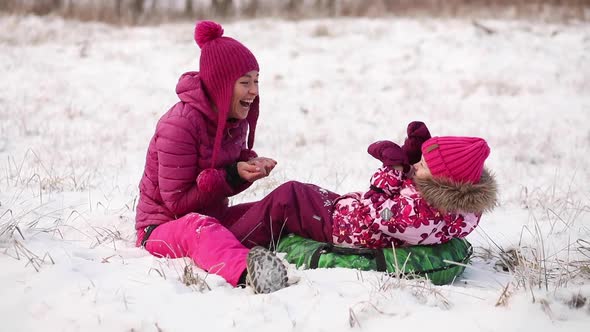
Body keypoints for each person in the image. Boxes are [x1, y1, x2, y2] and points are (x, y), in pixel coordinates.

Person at [135, 20, 287, 294]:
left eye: (256, 81)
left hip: (214, 219)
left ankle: (352, 225)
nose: (254, 90)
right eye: (245, 82)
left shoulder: (234, 119)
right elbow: (178, 204)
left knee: (282, 202)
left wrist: (246, 170)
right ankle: (253, 273)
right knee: (199, 227)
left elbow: (224, 179)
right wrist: (232, 174)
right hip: (161, 228)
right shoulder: (178, 125)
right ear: (222, 85)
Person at [229, 122, 498, 250]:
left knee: (289, 196)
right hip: (350, 217)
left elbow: (376, 211)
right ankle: (230, 219)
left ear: (445, 181)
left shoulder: (420, 215)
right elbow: (415, 199)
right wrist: (411, 162)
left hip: (346, 227)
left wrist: (391, 170)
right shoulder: (456, 208)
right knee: (294, 197)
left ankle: (231, 241)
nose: (417, 166)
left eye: (424, 165)